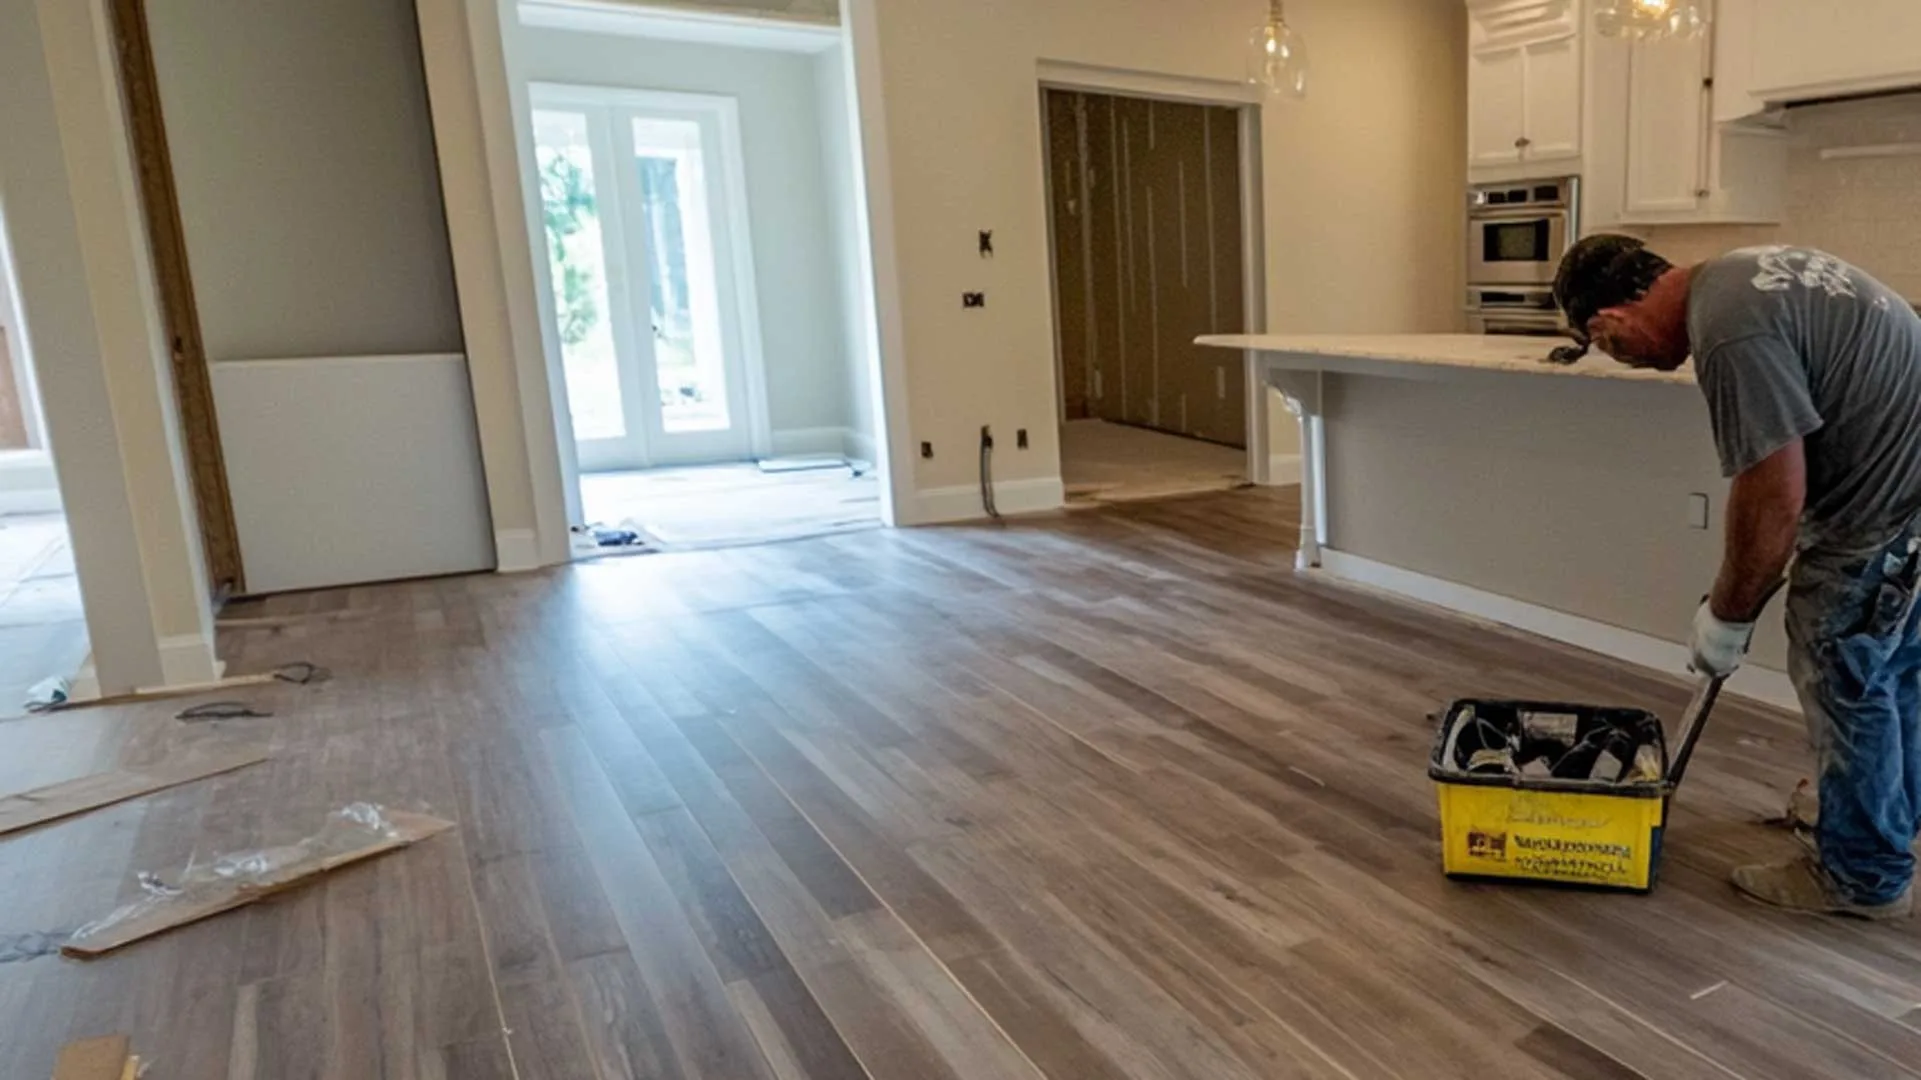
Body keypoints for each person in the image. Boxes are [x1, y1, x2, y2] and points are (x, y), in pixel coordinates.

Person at [1554, 235, 1921, 919]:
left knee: (1843, 670)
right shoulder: (1744, 276)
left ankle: (1859, 875)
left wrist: (1725, 617)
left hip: (1884, 514)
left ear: (1609, 320)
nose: (1626, 360)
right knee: (1893, 672)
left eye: (1604, 345)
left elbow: (1770, 496)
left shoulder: (1726, 331)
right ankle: (1876, 814)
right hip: (1909, 498)